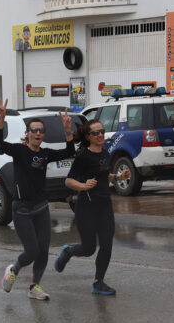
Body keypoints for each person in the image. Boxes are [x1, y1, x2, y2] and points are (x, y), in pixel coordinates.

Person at [0, 98, 74, 300]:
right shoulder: (19, 151)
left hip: (40, 207)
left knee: (43, 251)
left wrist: (68, 131)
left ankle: (34, 287)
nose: (38, 133)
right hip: (21, 208)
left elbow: (69, 152)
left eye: (41, 131)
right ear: (28, 133)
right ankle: (13, 269)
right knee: (31, 251)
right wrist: (1, 121)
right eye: (34, 130)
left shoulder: (46, 153)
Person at [54, 119, 131, 295]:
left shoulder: (105, 153)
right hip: (86, 207)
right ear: (88, 136)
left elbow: (103, 175)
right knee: (88, 249)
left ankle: (98, 282)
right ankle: (68, 251)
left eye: (102, 131)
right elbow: (68, 181)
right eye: (96, 133)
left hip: (104, 206)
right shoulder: (83, 157)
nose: (100, 135)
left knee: (106, 245)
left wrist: (118, 177)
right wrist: (83, 186)